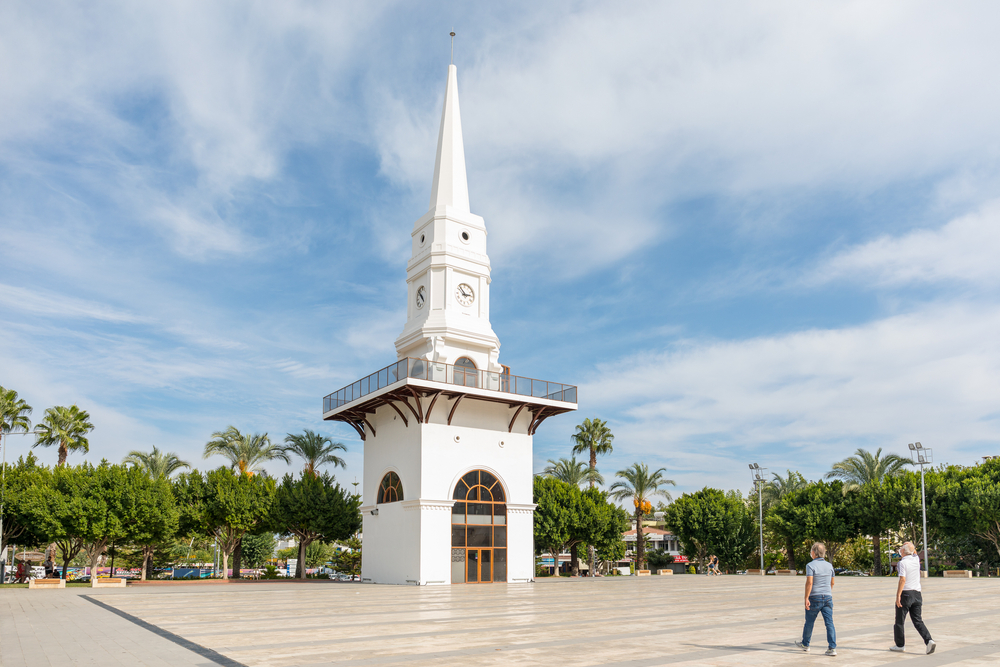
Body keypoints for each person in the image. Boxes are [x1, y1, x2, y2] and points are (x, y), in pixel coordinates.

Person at [890, 542, 936, 654]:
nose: (899, 550)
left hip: (906, 594)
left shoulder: (902, 563)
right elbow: (914, 551)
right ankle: (929, 640)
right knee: (918, 620)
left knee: (899, 621)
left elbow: (902, 580)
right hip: (917, 594)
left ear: (903, 552)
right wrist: (909, 545)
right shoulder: (916, 560)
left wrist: (898, 596)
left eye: (901, 548)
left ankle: (900, 645)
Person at [794, 542, 837, 656]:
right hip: (828, 597)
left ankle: (806, 644)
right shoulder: (830, 565)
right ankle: (832, 648)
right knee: (829, 623)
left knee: (809, 622)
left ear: (813, 553)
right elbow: (832, 582)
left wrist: (806, 597)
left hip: (814, 597)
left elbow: (809, 583)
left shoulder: (810, 565)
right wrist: (827, 592)